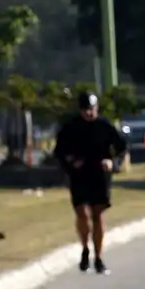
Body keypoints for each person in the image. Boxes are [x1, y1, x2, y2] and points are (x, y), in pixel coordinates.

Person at [54, 91, 127, 275]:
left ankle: (99, 257)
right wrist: (70, 163)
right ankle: (85, 248)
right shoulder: (70, 127)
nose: (89, 113)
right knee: (82, 214)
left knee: (98, 216)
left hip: (100, 175)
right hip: (79, 175)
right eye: (86, 110)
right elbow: (59, 152)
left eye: (92, 109)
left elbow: (122, 148)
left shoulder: (105, 125)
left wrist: (113, 163)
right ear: (80, 110)